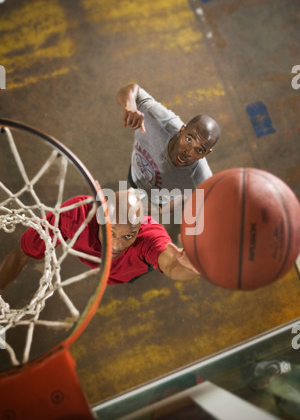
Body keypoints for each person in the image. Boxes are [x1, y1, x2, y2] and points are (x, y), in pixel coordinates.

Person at [0, 190, 200, 293]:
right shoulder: (77, 214)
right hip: (98, 257)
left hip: (123, 274)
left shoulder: (148, 237)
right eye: (110, 232)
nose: (116, 245)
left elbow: (173, 266)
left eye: (127, 236)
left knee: (136, 274)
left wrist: (194, 266)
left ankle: (157, 205)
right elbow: (23, 251)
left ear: (139, 230)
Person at [116, 83, 221, 209]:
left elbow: (213, 207)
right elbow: (132, 89)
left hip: (153, 202)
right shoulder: (157, 119)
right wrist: (130, 106)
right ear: (181, 130)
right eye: (188, 139)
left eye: (198, 150)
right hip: (135, 174)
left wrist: (161, 210)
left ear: (206, 154)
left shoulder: (201, 178)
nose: (188, 152)